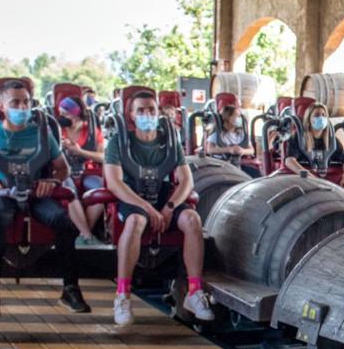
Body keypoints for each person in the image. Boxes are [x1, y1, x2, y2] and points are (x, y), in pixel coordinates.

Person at [0, 80, 90, 320]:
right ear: (2, 106)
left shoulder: (42, 133)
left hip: (35, 193)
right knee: (1, 218)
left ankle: (70, 288)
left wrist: (53, 181)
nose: (22, 107)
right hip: (1, 194)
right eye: (15, 102)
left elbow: (62, 169)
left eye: (26, 102)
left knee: (63, 222)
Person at [104, 90, 214, 326]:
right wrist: (147, 207)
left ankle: (194, 291)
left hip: (163, 195)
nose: (147, 114)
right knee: (136, 221)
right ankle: (122, 294)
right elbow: (114, 182)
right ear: (131, 115)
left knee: (193, 219)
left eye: (151, 110)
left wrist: (169, 206)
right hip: (133, 195)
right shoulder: (119, 142)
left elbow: (186, 181)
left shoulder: (170, 140)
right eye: (141, 110)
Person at [56, 96, 106, 244]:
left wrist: (80, 152)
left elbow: (102, 157)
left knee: (101, 190)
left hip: (87, 171)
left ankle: (82, 233)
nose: (62, 117)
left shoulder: (92, 131)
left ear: (76, 115)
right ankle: (87, 235)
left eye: (66, 114)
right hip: (65, 171)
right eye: (60, 114)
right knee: (68, 190)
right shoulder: (57, 129)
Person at [284, 102, 344, 193]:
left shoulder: (331, 140)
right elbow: (289, 160)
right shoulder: (298, 138)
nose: (321, 118)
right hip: (304, 180)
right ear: (309, 119)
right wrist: (306, 173)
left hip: (325, 178)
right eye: (317, 115)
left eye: (324, 115)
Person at [204, 103, 259, 177]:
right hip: (221, 164)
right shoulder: (217, 134)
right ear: (227, 118)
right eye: (237, 116)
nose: (239, 119)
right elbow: (209, 149)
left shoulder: (241, 134)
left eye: (240, 116)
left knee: (257, 174)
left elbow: (252, 150)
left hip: (237, 164)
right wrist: (228, 149)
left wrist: (243, 151)